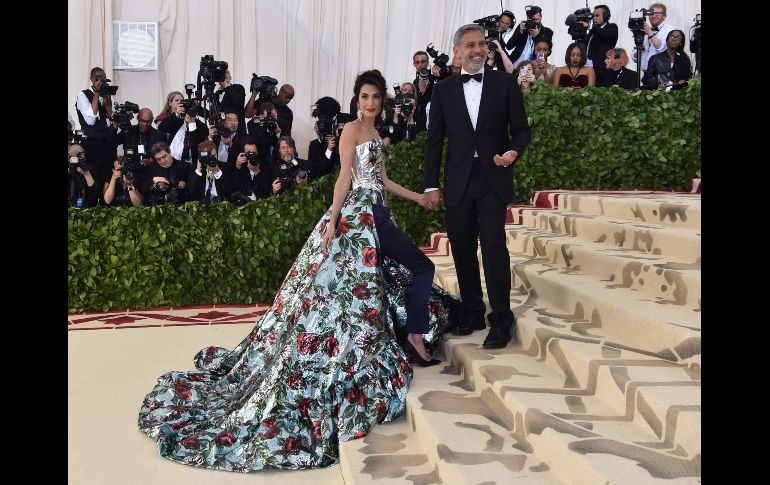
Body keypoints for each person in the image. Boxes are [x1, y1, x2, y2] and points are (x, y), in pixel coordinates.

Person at [138, 69, 460, 472]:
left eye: (376, 97)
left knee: (402, 277)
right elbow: (345, 177)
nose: (371, 103)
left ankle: (409, 332)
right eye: (364, 96)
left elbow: (383, 180)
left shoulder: (377, 135)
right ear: (356, 99)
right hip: (361, 220)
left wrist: (418, 196)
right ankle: (410, 335)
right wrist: (334, 222)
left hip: (381, 215)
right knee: (392, 279)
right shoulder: (350, 131)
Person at [423, 24, 531, 349]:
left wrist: (514, 151)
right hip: (458, 180)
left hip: (492, 177)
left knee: (494, 247)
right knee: (462, 248)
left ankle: (501, 319)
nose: (477, 49)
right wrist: (430, 184)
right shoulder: (442, 90)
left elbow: (522, 130)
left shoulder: (505, 84)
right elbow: (434, 142)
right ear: (457, 51)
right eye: (470, 45)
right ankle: (472, 310)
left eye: (482, 44)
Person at [581, 4, 618, 87]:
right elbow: (585, 45)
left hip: (602, 72)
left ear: (606, 16)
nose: (594, 18)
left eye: (597, 15)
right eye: (593, 15)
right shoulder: (593, 30)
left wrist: (590, 26)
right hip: (588, 69)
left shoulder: (612, 27)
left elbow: (604, 34)